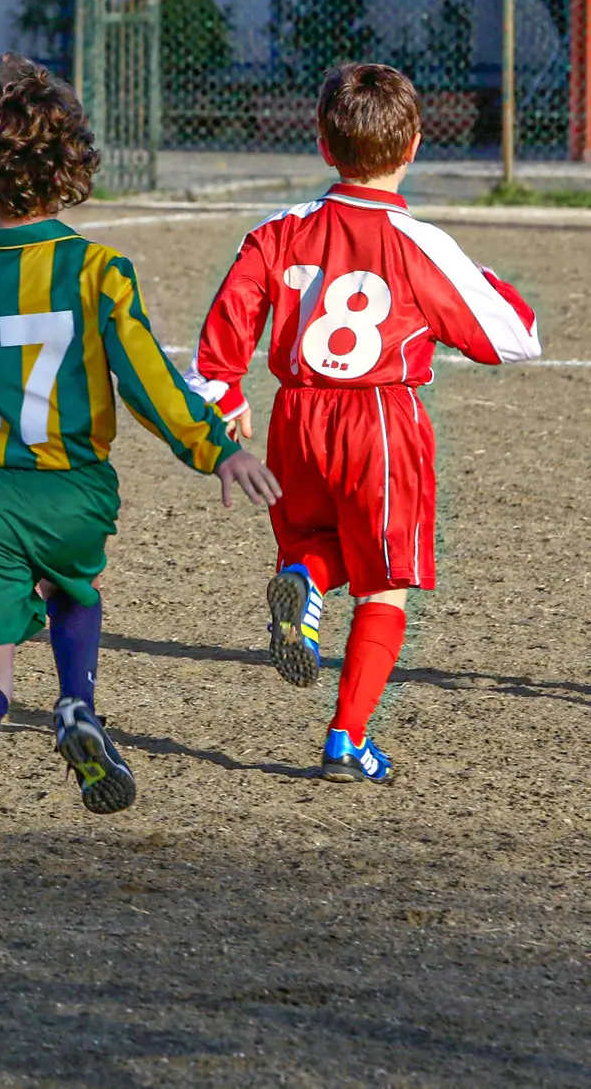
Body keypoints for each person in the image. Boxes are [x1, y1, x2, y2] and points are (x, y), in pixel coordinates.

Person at [0, 56, 282, 931]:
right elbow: (147, 378)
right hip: (71, 488)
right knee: (74, 587)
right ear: (71, 166)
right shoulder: (98, 270)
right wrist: (216, 445)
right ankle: (78, 706)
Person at [188, 62, 540, 784]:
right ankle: (347, 738)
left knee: (323, 542)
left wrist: (226, 404)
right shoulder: (420, 242)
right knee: (385, 581)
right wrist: (480, 279)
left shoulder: (276, 233)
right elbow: (512, 336)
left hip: (295, 419)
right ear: (414, 146)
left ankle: (305, 578)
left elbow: (217, 350)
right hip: (381, 421)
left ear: (322, 142)